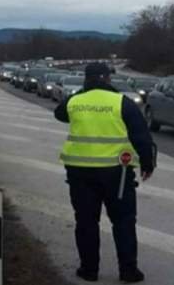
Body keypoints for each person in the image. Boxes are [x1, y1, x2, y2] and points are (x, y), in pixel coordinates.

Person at [54, 63, 155, 283]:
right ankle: (128, 271)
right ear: (107, 79)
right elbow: (141, 136)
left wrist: (84, 92)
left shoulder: (75, 101)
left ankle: (89, 270)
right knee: (124, 221)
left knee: (86, 222)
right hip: (116, 174)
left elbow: (59, 114)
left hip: (80, 174)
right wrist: (148, 163)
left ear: (86, 80)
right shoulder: (122, 103)